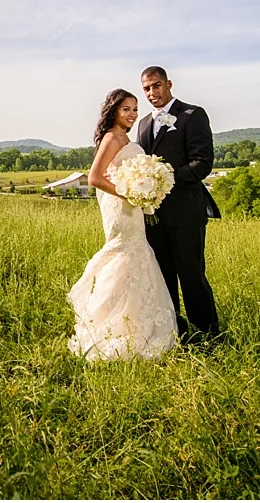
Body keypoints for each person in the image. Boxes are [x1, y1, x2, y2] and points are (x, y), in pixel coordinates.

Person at [67, 88, 178, 361]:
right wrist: (129, 193)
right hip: (120, 206)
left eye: (135, 109)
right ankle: (109, 321)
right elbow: (94, 178)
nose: (132, 114)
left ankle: (136, 320)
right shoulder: (111, 137)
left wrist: (144, 190)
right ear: (114, 110)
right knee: (123, 254)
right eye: (126, 109)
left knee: (136, 254)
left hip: (132, 206)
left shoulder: (125, 138)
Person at [137, 66, 221, 345]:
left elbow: (202, 162)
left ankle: (208, 336)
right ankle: (175, 334)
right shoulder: (144, 123)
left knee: (192, 276)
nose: (152, 92)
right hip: (153, 217)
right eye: (147, 88)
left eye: (156, 85)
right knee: (163, 279)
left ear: (168, 84)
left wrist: (164, 181)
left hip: (186, 213)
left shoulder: (192, 115)